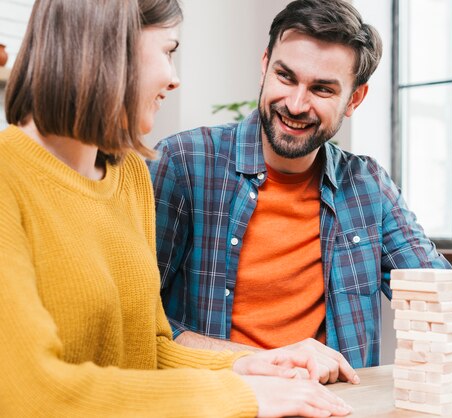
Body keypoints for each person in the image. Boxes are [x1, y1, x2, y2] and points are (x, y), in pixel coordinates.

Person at [148, 0, 452, 409]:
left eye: (323, 89)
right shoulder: (186, 163)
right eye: (285, 76)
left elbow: (448, 299)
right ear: (265, 63)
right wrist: (256, 362)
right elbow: (142, 324)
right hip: (223, 402)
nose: (295, 103)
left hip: (334, 405)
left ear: (356, 99)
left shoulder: (366, 184)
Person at [0, 0, 354, 416]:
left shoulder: (129, 173)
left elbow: (148, 348)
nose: (174, 78)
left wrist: (246, 364)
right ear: (112, 47)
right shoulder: (9, 179)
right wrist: (243, 396)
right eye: (168, 51)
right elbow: (31, 393)